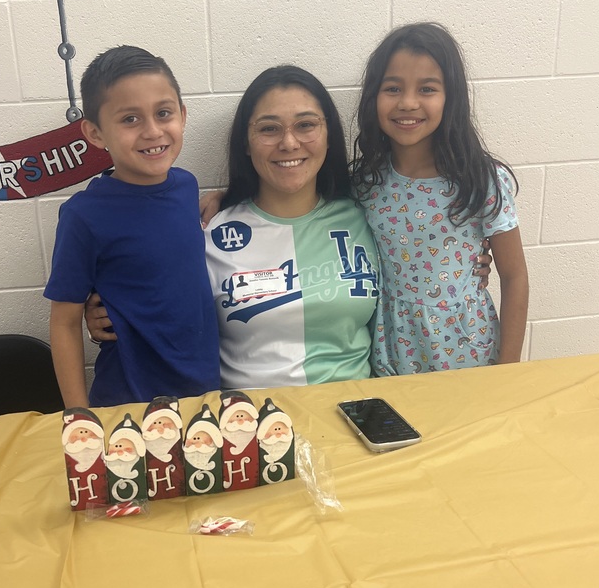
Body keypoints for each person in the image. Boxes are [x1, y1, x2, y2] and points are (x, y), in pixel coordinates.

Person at [88, 65, 382, 388]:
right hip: (246, 423)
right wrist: (111, 309)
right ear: (246, 141)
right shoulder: (209, 230)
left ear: (329, 135)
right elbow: (162, 306)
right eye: (269, 129)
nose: (289, 142)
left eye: (306, 125)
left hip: (352, 416)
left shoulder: (368, 211)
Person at [44, 45, 219, 408]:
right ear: (95, 133)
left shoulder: (187, 186)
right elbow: (64, 322)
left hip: (204, 394)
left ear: (183, 116)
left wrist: (228, 196)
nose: (153, 131)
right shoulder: (84, 215)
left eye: (164, 113)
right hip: (129, 402)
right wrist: (78, 414)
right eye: (130, 119)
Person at [351, 22, 529, 375]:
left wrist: (508, 373)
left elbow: (514, 276)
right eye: (393, 88)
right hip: (389, 355)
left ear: (451, 98)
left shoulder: (482, 180)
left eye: (427, 88)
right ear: (374, 96)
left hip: (468, 355)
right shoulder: (363, 181)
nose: (408, 103)